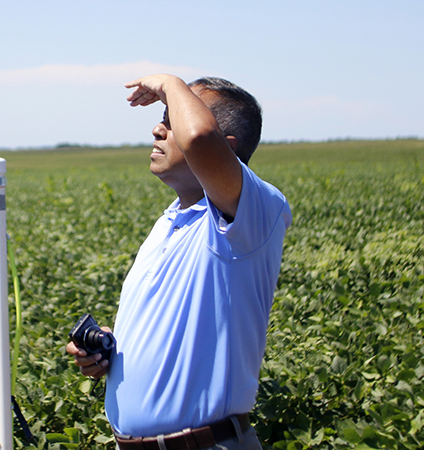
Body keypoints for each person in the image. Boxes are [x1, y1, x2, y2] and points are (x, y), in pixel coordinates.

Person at [66, 74, 292, 450]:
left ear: (227, 148)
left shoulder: (254, 212)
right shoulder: (170, 221)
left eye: (171, 120)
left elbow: (200, 138)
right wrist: (110, 353)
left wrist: (171, 83)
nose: (157, 128)